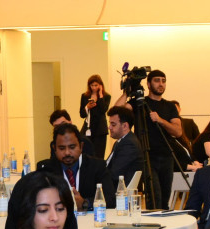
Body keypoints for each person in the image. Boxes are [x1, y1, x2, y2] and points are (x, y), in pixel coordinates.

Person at [113, 70, 184, 209]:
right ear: (149, 84)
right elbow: (115, 112)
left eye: (163, 81)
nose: (161, 84)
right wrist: (127, 91)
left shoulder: (169, 106)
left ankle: (164, 227)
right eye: (157, 80)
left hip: (166, 157)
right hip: (147, 156)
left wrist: (161, 120)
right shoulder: (139, 103)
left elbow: (178, 131)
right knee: (154, 197)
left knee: (164, 199)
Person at [35, 123, 115, 211]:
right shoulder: (45, 169)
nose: (67, 153)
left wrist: (85, 203)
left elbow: (111, 200)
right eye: (62, 148)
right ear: (54, 149)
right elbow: (37, 201)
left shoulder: (97, 166)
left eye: (72, 147)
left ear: (81, 146)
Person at [104, 105, 143, 190]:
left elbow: (115, 173)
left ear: (125, 126)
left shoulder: (129, 144)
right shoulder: (121, 142)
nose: (109, 127)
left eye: (113, 124)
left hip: (118, 192)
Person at [78, 75, 111, 160]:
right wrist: (87, 107)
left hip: (100, 130)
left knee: (99, 154)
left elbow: (103, 110)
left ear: (100, 85)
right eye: (91, 85)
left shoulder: (106, 96)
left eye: (96, 85)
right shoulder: (85, 96)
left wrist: (100, 96)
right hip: (88, 128)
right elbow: (82, 114)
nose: (93, 87)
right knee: (86, 153)